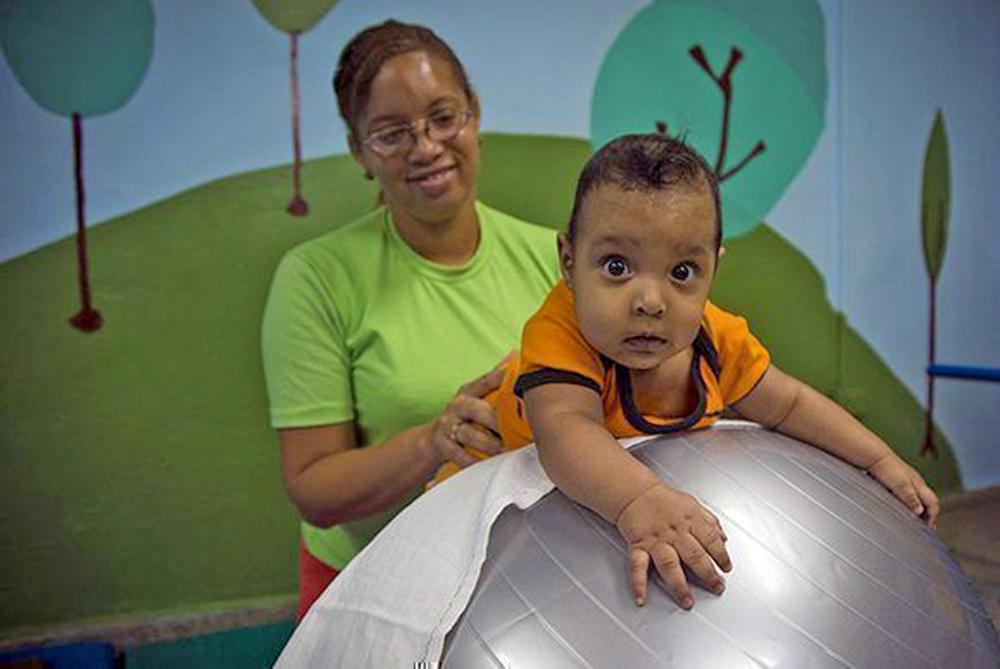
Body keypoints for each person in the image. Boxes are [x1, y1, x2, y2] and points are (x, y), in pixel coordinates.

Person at [436, 133, 940, 610]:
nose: (650, 301)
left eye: (681, 273)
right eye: (616, 266)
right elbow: (567, 432)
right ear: (569, 261)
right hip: (479, 512)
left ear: (713, 270)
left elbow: (789, 404)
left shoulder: (714, 339)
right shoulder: (557, 334)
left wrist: (878, 459)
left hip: (582, 523)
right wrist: (640, 499)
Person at [260, 20, 560, 621]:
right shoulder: (315, 279)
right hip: (370, 590)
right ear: (359, 153)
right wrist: (434, 441)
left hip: (530, 573)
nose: (425, 147)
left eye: (443, 117)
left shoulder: (554, 259)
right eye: (392, 133)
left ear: (474, 116)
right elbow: (315, 490)